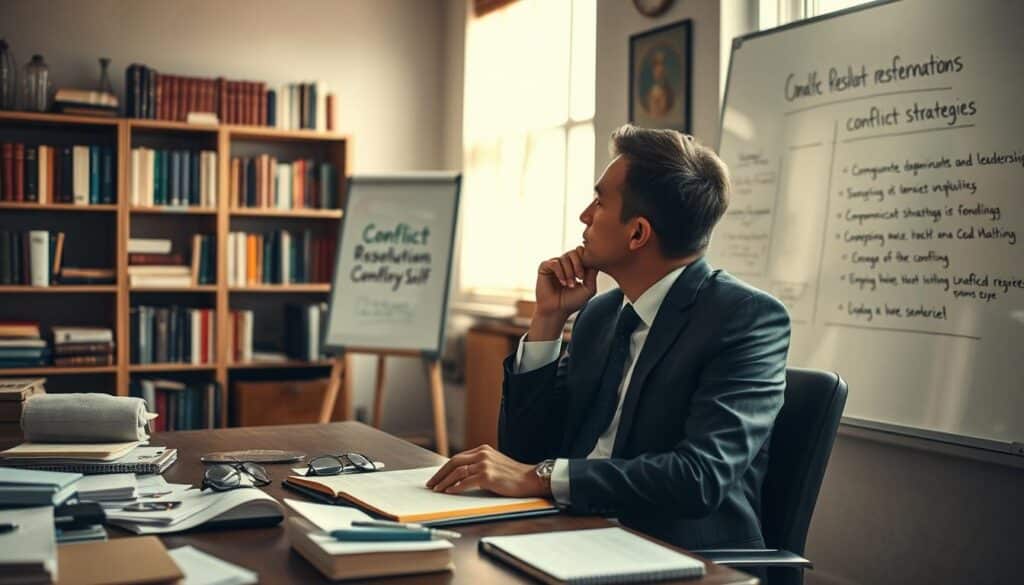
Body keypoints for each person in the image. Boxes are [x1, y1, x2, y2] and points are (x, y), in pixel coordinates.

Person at [427, 124, 791, 552]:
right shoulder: (600, 313)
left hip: (681, 554)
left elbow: (700, 477)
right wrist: (547, 320)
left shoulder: (747, 318)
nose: (584, 215)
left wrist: (538, 477)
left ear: (637, 233)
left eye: (599, 202)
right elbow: (524, 451)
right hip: (575, 530)